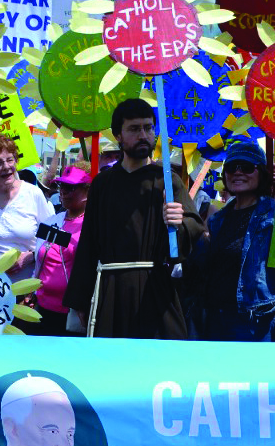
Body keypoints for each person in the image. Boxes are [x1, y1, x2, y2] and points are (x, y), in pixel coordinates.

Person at [63, 98, 205, 339]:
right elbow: (88, 244)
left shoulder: (167, 180)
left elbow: (193, 228)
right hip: (110, 290)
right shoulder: (102, 184)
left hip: (155, 288)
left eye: (148, 128)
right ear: (118, 135)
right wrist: (81, 299)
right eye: (134, 129)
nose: (143, 135)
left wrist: (177, 224)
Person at [199, 142, 275, 341]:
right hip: (214, 318)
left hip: (253, 322)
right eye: (231, 167)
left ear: (261, 173)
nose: (238, 172)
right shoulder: (217, 219)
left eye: (246, 167)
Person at [0, 133, 53, 282]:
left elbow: (51, 239)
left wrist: (31, 256)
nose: (6, 166)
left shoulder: (33, 193)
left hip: (28, 286)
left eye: (10, 159)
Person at [30, 163, 91, 336]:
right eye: (61, 185)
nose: (63, 191)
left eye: (70, 187)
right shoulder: (51, 221)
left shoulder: (93, 226)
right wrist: (31, 291)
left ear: (88, 190)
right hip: (41, 309)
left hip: (74, 315)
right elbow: (39, 262)